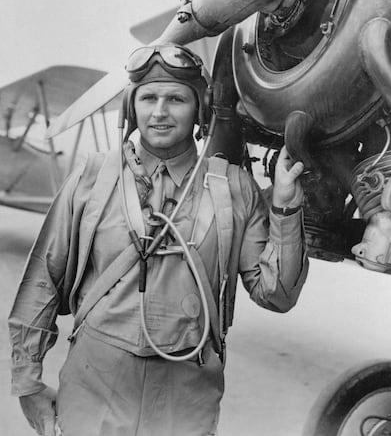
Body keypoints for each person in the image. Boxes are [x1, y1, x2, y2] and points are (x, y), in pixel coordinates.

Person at [8, 43, 308, 436]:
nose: (160, 111)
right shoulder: (93, 177)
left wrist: (285, 210)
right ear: (132, 110)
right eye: (148, 98)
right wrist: (27, 379)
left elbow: (277, 294)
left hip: (185, 400)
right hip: (94, 388)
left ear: (200, 110)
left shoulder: (234, 187)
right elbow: (43, 279)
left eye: (176, 99)